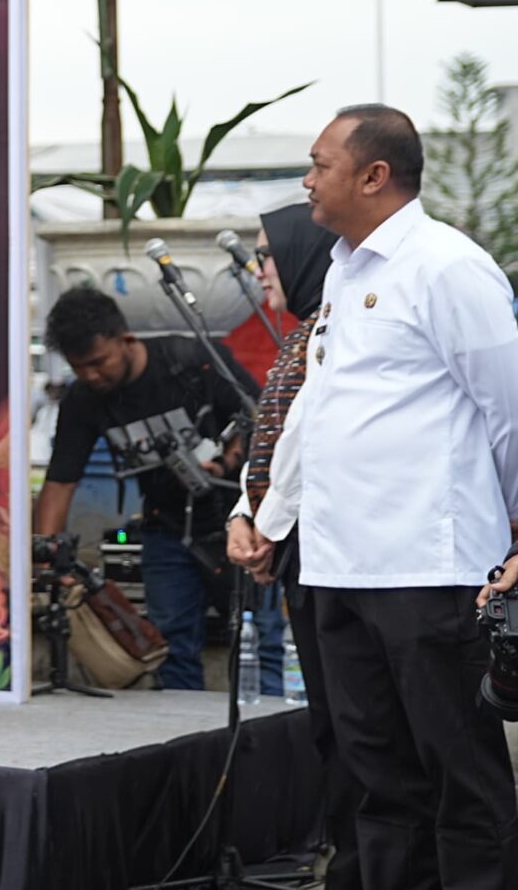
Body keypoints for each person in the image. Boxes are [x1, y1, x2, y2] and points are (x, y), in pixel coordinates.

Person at [251, 106, 517, 888]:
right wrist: (270, 515)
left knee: (461, 778)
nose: (307, 181)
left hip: (427, 568)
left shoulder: (447, 267)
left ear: (374, 176)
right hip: (341, 567)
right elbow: (320, 410)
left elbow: (509, 408)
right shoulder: (344, 270)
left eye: (319, 164)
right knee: (378, 782)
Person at [38, 286, 280, 693]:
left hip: (238, 524)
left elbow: (261, 424)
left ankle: (269, 724)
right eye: (79, 368)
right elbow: (61, 480)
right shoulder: (84, 399)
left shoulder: (192, 360)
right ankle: (185, 729)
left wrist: (227, 464)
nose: (91, 375)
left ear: (126, 339)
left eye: (98, 362)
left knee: (260, 640)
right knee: (172, 650)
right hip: (165, 531)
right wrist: (45, 555)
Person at [225, 204, 360, 889]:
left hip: (345, 555)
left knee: (360, 730)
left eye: (267, 255)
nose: (258, 270)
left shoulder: (336, 331)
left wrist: (265, 524)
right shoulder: (304, 333)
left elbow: (311, 449)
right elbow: (275, 446)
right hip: (304, 554)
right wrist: (246, 514)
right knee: (333, 726)